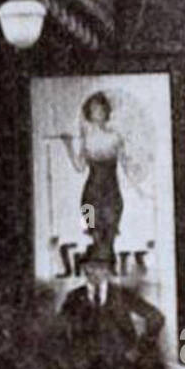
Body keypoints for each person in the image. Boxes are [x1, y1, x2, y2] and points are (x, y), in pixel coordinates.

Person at [57, 91, 138, 257]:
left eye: (100, 109)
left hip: (111, 193)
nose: (97, 113)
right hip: (90, 194)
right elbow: (79, 167)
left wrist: (138, 185)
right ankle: (97, 262)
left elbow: (126, 163)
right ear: (89, 113)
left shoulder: (115, 137)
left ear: (106, 112)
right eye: (93, 109)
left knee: (109, 232)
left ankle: (109, 264)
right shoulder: (86, 139)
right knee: (91, 228)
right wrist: (69, 146)